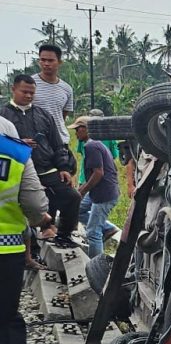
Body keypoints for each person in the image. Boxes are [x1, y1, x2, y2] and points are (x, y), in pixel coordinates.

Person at [1, 114, 55, 344]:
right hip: (6, 255)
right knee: (7, 323)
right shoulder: (16, 153)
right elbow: (35, 205)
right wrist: (43, 220)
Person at [1, 74, 79, 248]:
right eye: (24, 92)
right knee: (24, 206)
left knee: (72, 197)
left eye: (31, 93)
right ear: (13, 90)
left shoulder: (43, 115)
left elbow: (58, 143)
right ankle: (33, 249)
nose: (28, 96)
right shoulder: (3, 116)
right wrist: (19, 144)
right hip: (18, 172)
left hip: (46, 168)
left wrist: (64, 168)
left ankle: (63, 236)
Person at [69, 117, 120, 258]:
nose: (76, 134)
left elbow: (98, 173)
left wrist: (82, 190)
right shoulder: (95, 145)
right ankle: (108, 228)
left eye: (77, 130)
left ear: (86, 129)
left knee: (93, 231)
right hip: (100, 192)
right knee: (77, 210)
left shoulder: (91, 146)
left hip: (104, 195)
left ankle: (95, 266)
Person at [31, 44, 73, 147]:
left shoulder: (67, 89)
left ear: (59, 62)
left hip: (60, 142)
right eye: (43, 60)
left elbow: (62, 117)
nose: (46, 64)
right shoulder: (30, 85)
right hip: (36, 142)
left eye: (50, 60)